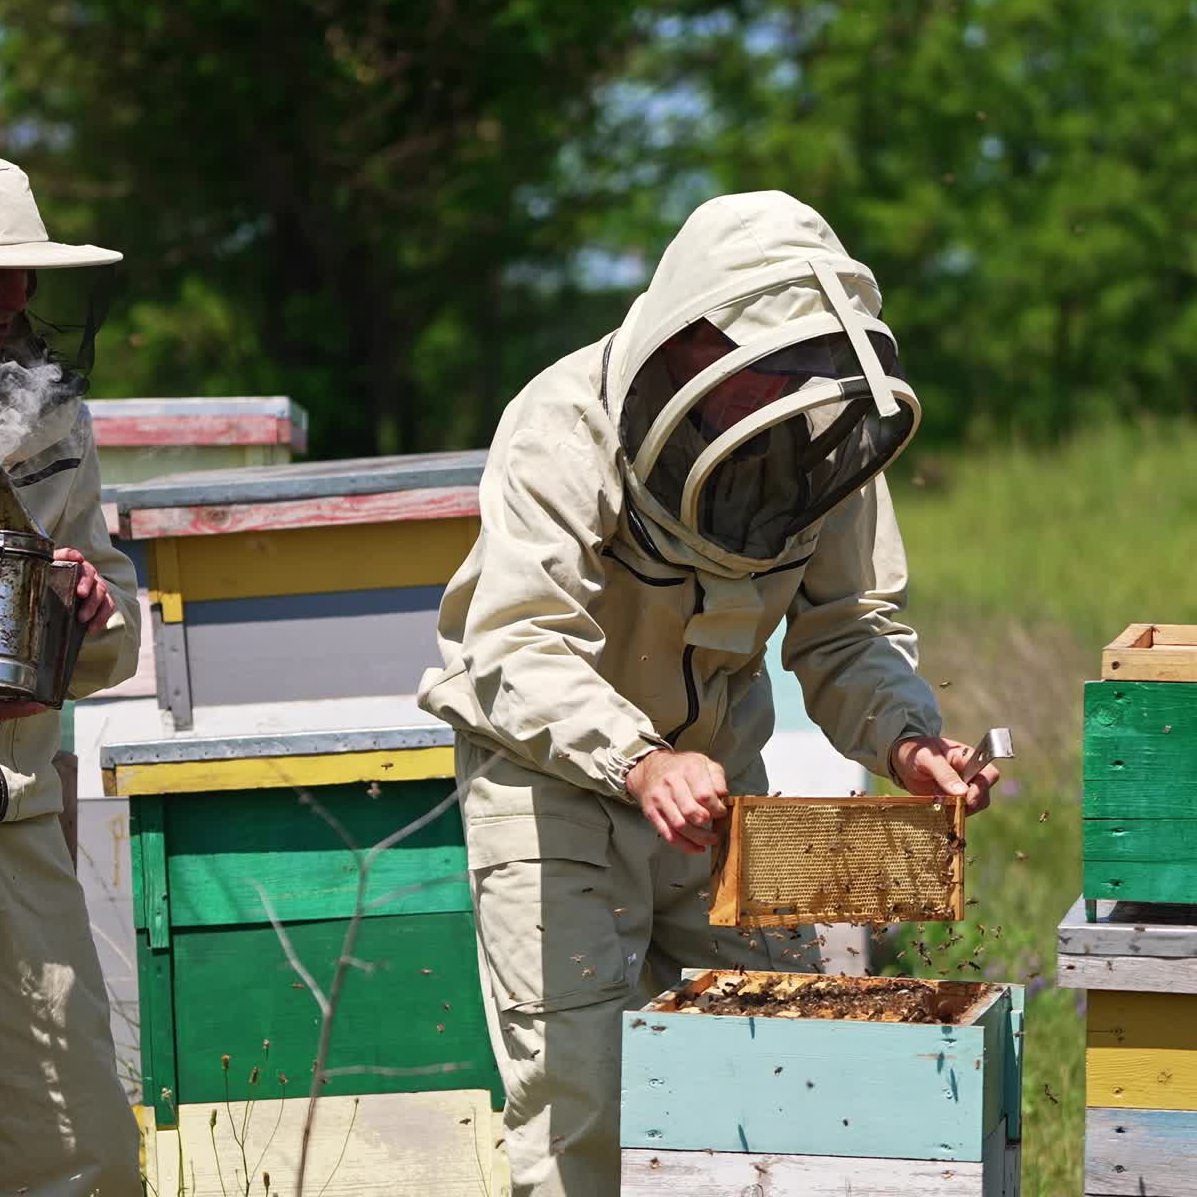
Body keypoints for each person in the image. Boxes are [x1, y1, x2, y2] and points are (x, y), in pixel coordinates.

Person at [418, 191, 1005, 1197]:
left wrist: (907, 743)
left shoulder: (826, 438)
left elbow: (845, 626)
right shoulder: (560, 427)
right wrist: (638, 758)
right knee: (581, 1103)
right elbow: (513, 642)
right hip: (550, 778)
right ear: (691, 345)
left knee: (779, 1052)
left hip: (717, 776)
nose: (789, 385)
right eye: (767, 364)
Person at [0, 153, 142, 1194]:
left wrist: (86, 611)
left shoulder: (51, 413)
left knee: (83, 1168)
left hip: (19, 838)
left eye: (24, 270)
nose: (15, 294)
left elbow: (120, 622)